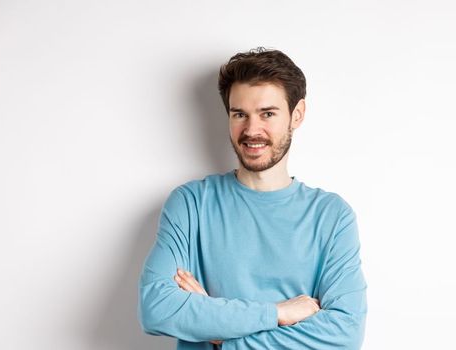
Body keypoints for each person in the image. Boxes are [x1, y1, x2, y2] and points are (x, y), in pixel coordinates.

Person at [137, 47, 367, 349]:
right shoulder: (191, 203)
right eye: (239, 114)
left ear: (296, 115)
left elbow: (345, 334)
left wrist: (219, 334)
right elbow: (156, 308)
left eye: (267, 113)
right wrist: (278, 313)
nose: (251, 130)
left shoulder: (331, 215)